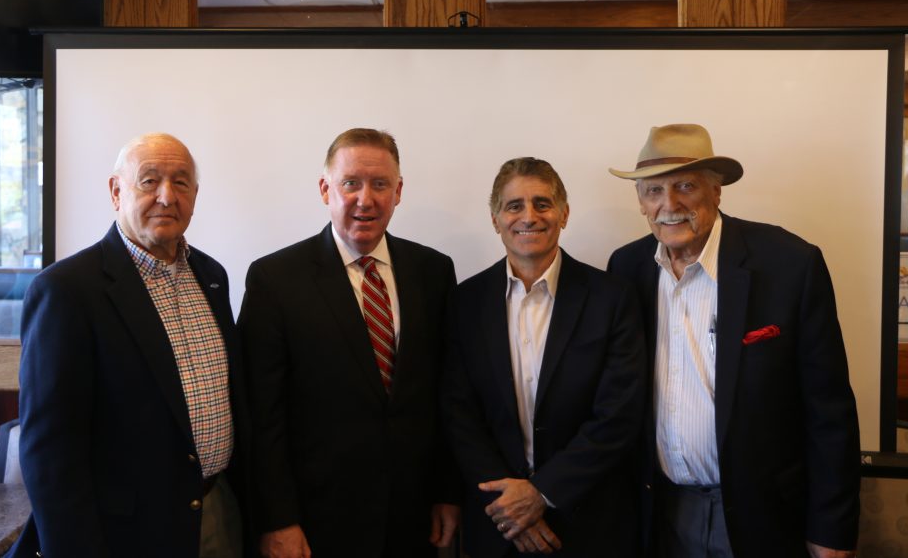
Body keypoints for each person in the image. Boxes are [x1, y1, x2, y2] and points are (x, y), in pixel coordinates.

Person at [606, 123, 860, 558]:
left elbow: (830, 412)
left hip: (763, 516)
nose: (669, 204)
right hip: (661, 514)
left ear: (716, 191)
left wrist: (831, 530)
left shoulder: (789, 265)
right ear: (641, 202)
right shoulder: (626, 269)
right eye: (653, 191)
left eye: (685, 185)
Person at [10, 133, 248, 558]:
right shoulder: (67, 291)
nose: (166, 196)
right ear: (116, 191)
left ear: (195, 195)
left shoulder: (212, 276)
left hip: (218, 514)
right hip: (126, 535)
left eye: (180, 182)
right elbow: (50, 456)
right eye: (149, 180)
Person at [238, 128, 460, 558]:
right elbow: (262, 415)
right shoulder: (275, 279)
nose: (366, 199)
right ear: (326, 189)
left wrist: (448, 492)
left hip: (413, 519)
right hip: (316, 523)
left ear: (398, 192)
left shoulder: (433, 271)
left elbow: (447, 393)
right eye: (351, 183)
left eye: (380, 185)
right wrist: (278, 520)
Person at [442, 157, 645, 558]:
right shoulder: (464, 302)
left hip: (588, 522)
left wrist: (543, 493)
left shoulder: (612, 298)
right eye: (514, 205)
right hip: (496, 522)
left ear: (564, 213)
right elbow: (457, 413)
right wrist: (509, 503)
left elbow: (618, 415)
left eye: (542, 203)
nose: (528, 217)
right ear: (495, 218)